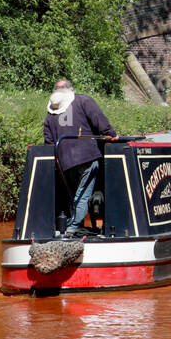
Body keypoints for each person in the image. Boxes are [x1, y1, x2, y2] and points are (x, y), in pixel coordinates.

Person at [43, 79, 116, 237]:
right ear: (71, 90)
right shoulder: (83, 100)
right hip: (86, 156)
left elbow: (48, 141)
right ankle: (73, 228)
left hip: (63, 162)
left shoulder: (50, 113)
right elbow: (99, 120)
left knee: (73, 195)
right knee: (82, 195)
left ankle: (72, 225)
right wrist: (112, 134)